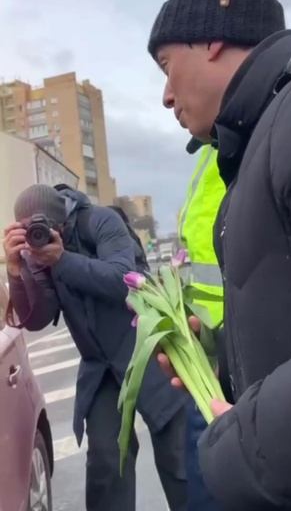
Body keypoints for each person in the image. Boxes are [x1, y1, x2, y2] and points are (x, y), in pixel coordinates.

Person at [148, 0, 291, 510]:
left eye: (167, 66)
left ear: (212, 39)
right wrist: (218, 359)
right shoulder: (264, 133)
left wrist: (237, 443)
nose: (166, 94)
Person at [3, 184, 188, 511]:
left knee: (178, 457)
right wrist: (17, 271)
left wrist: (61, 260)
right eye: (27, 227)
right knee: (106, 461)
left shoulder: (101, 222)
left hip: (146, 350)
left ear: (59, 219)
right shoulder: (38, 252)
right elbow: (37, 318)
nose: (36, 232)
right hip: (102, 368)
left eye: (40, 224)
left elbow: (122, 281)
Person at [179, 139, 225, 510]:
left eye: (168, 75)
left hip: (234, 356)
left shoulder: (263, 133)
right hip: (209, 353)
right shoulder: (213, 149)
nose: (167, 97)